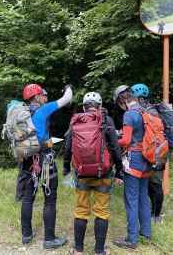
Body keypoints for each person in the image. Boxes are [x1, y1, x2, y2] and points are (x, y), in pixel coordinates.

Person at [63, 92, 123, 255]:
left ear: (84, 106)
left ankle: (78, 250)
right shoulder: (106, 120)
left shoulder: (76, 121)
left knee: (81, 210)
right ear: (100, 105)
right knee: (101, 211)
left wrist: (66, 169)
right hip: (102, 174)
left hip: (81, 173)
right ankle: (99, 251)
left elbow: (68, 147)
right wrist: (119, 170)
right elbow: (115, 148)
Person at [17, 83, 72, 249]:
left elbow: (39, 141)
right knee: (50, 198)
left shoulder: (23, 113)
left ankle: (26, 236)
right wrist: (68, 87)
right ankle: (49, 239)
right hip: (44, 159)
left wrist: (54, 141)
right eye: (43, 94)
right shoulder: (44, 109)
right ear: (37, 96)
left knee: (28, 198)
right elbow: (67, 98)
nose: (45, 97)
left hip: (28, 158)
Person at [112, 85, 152, 250]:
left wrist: (113, 139)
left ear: (122, 100)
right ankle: (146, 233)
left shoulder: (129, 114)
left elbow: (126, 141)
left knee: (131, 199)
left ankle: (131, 239)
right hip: (147, 158)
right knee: (143, 196)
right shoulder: (144, 111)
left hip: (134, 159)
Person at [131, 83, 164, 223]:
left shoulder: (147, 112)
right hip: (157, 151)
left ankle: (156, 215)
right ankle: (153, 214)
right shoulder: (153, 110)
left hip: (153, 152)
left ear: (137, 97)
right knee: (153, 184)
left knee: (154, 184)